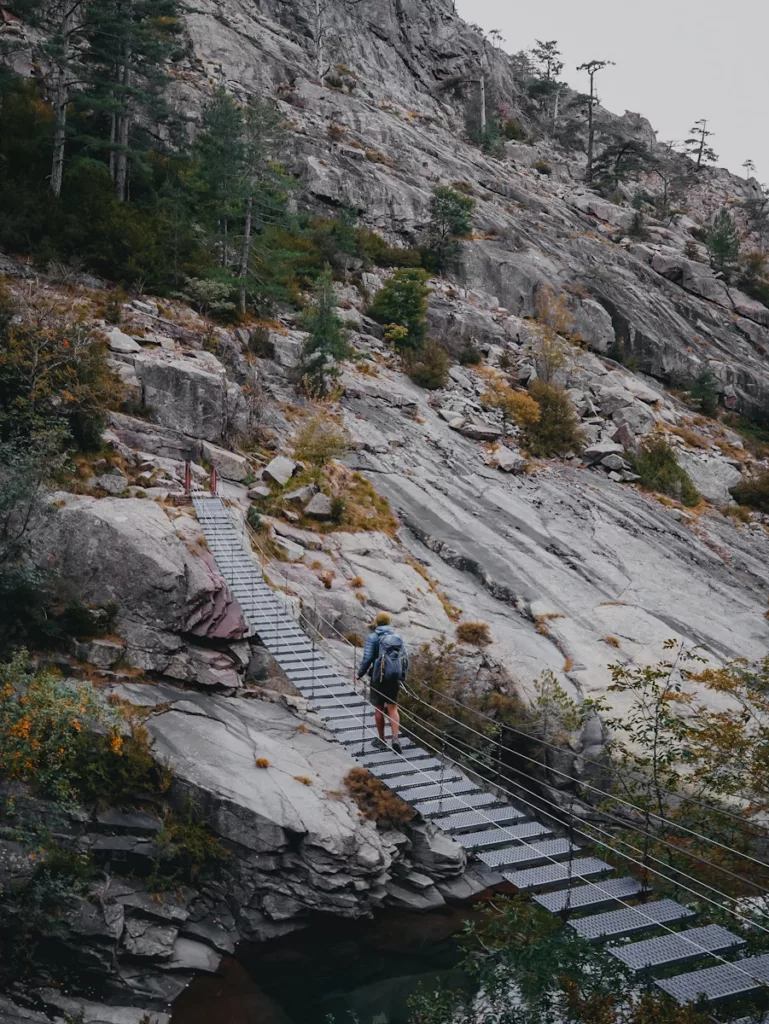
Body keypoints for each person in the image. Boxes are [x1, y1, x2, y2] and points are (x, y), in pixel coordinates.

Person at [357, 612, 408, 753]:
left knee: (379, 708)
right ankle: (395, 738)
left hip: (378, 677)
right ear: (389, 622)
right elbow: (405, 658)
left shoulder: (373, 637)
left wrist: (359, 674)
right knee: (393, 707)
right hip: (394, 677)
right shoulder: (397, 638)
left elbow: (367, 658)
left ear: (377, 623)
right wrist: (402, 676)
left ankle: (381, 740)